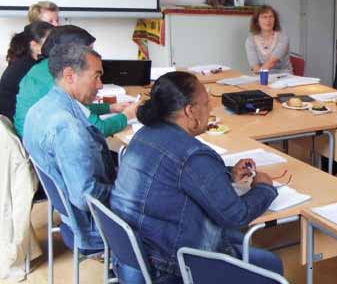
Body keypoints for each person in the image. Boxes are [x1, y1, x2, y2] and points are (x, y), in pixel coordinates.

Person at [109, 72, 282, 282]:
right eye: (207, 104)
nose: (211, 110)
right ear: (190, 111)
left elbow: (180, 176)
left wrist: (227, 174)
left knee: (235, 240)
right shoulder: (192, 155)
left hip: (136, 258)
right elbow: (236, 215)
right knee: (271, 264)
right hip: (173, 266)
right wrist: (264, 188)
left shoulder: (144, 134)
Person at [23, 44, 116, 252]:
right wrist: (125, 190)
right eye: (96, 76)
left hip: (70, 217)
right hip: (92, 228)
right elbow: (85, 197)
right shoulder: (67, 127)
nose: (100, 85)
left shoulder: (39, 108)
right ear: (70, 76)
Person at [13, 25, 137, 137]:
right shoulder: (58, 80)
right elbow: (97, 129)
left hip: (34, 140)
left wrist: (111, 108)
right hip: (44, 146)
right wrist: (127, 116)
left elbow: (77, 109)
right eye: (89, 51)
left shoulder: (45, 67)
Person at [0, 21, 53, 119]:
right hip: (17, 123)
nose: (55, 46)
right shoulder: (28, 67)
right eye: (50, 42)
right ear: (35, 46)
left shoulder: (27, 60)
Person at [245, 5, 292, 74]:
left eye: (271, 17)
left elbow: (272, 62)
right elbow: (255, 66)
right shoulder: (250, 40)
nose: (268, 20)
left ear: (275, 20)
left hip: (283, 77)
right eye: (264, 17)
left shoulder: (283, 38)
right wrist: (261, 78)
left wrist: (261, 76)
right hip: (261, 76)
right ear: (257, 21)